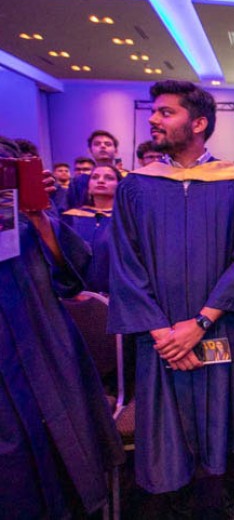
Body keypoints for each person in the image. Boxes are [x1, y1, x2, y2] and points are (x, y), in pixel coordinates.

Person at [108, 80, 234, 517]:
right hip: (159, 335)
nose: (153, 119)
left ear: (198, 123)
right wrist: (165, 333)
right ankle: (178, 505)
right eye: (155, 111)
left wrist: (198, 324)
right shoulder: (137, 187)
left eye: (166, 112)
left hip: (220, 326)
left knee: (232, 412)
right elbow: (125, 264)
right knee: (165, 422)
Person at [0, 137, 124, 518]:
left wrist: (38, 214)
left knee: (61, 444)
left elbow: (68, 279)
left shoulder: (23, 217)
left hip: (41, 340)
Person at [61, 165, 122, 294]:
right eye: (95, 177)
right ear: (88, 188)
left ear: (119, 186)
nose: (100, 181)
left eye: (109, 178)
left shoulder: (126, 219)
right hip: (77, 294)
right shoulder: (71, 218)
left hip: (117, 295)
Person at [67, 130, 122, 209]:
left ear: (116, 151)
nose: (103, 146)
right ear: (90, 151)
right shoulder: (78, 181)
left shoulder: (127, 179)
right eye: (97, 144)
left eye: (108, 144)